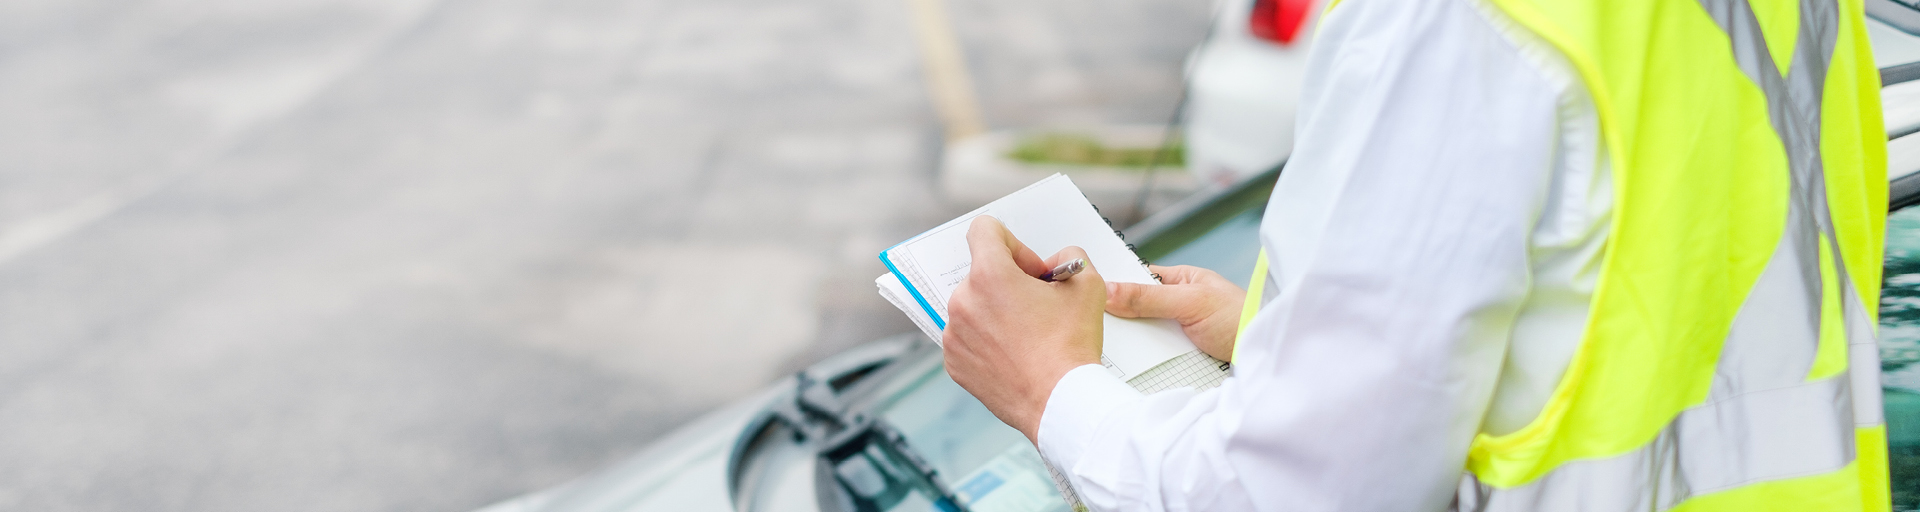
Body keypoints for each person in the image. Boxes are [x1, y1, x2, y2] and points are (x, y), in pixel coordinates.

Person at [939, 0, 1894, 509]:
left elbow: (1296, 500)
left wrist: (1047, 388)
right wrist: (1290, 340)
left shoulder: (1451, 21)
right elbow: (1661, 296)